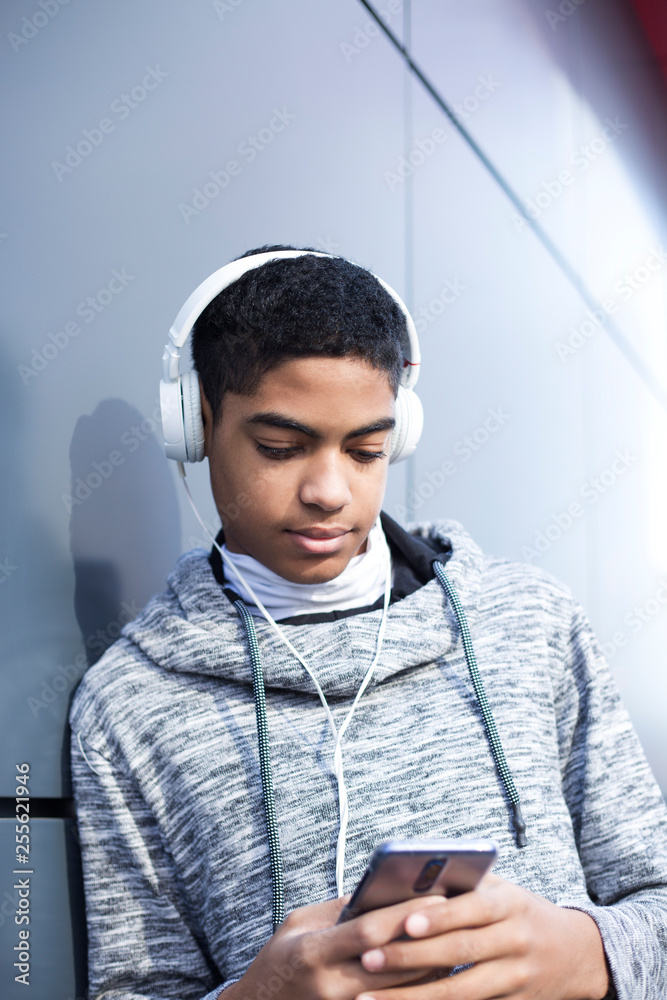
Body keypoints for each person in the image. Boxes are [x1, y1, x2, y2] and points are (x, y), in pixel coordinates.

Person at [69, 245, 667, 1000]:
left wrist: (589, 955)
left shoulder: (530, 621)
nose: (328, 490)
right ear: (197, 425)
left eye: (367, 450)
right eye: (280, 448)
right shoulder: (126, 706)